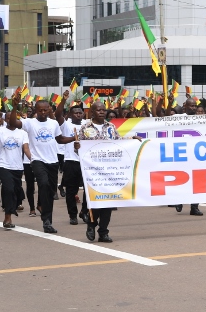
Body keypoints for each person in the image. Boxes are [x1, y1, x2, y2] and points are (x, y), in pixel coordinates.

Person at [75, 101, 140, 242]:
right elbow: (79, 149)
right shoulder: (85, 128)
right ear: (92, 112)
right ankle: (91, 225)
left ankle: (103, 231)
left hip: (110, 171)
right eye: (98, 110)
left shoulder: (110, 127)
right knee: (95, 201)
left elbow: (119, 141)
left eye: (103, 110)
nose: (102, 112)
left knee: (108, 203)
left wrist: (132, 140)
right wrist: (77, 147)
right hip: (93, 172)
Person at [21, 99, 72, 233]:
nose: (43, 113)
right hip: (37, 160)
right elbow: (13, 122)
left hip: (52, 162)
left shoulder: (54, 123)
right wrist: (15, 107)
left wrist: (74, 138)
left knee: (50, 192)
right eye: (40, 110)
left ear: (49, 109)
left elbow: (60, 140)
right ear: (36, 111)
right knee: (43, 183)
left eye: (45, 110)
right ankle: (45, 219)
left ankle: (47, 219)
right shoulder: (29, 123)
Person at [0, 105, 30, 229]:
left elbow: (25, 149)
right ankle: (7, 217)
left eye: (13, 118)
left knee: (14, 191)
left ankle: (10, 209)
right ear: (5, 120)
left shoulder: (22, 133)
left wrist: (33, 160)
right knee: (8, 189)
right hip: (4, 165)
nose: (11, 120)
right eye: (8, 118)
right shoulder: (0, 131)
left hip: (18, 167)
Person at [55, 94, 87, 224]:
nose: (78, 115)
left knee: (88, 190)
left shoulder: (88, 125)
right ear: (70, 114)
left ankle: (84, 211)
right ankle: (72, 215)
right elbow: (57, 115)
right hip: (71, 162)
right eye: (76, 113)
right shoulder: (66, 125)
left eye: (80, 113)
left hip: (86, 163)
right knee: (71, 191)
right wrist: (63, 100)